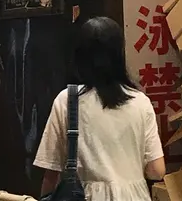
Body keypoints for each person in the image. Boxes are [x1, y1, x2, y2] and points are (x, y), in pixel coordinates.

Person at [35, 17, 166, 201]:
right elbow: (157, 170)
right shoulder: (140, 102)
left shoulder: (68, 100)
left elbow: (51, 171)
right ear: (119, 55)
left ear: (80, 56)